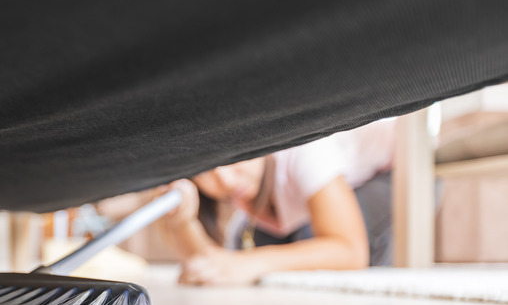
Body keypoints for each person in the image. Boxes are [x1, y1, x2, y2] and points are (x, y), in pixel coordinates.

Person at [159, 119, 396, 285]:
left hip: (399, 171)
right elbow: (213, 265)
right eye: (203, 172)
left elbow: (351, 250)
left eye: (231, 159)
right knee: (250, 248)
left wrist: (250, 263)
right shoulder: (244, 193)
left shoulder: (305, 149)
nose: (225, 179)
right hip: (333, 184)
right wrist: (182, 224)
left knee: (307, 243)